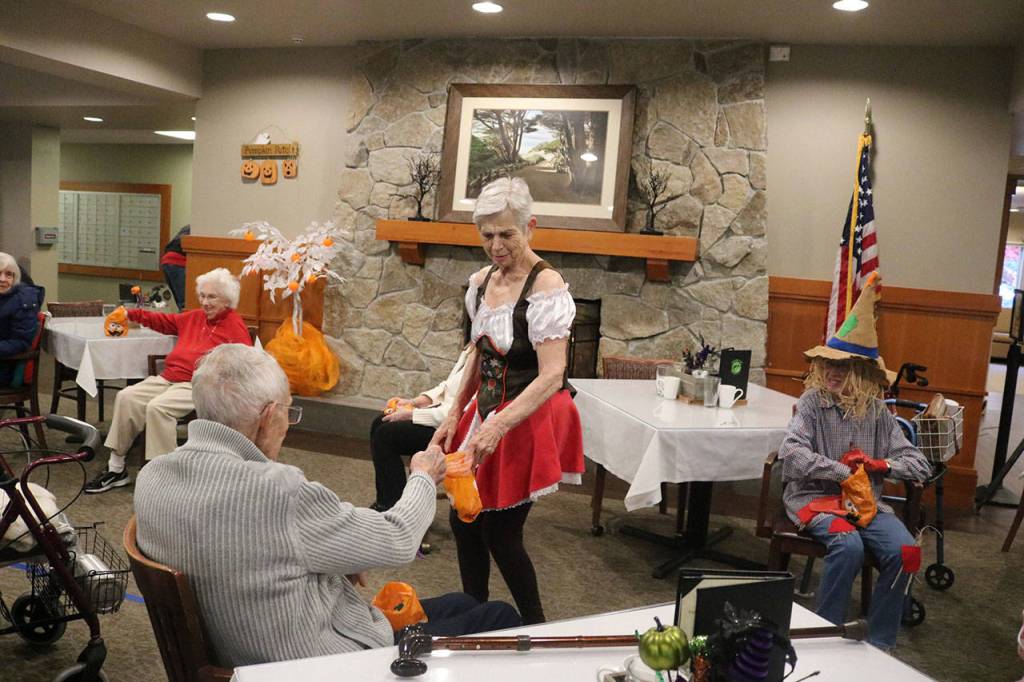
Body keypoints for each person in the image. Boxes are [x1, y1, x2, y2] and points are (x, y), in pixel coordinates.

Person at [134, 344, 520, 667]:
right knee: (501, 616)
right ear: (268, 418)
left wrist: (335, 563)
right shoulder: (278, 489)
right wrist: (422, 475)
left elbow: (242, 549)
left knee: (465, 601)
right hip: (318, 662)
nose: (288, 424)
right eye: (288, 410)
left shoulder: (152, 477)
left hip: (240, 645)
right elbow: (399, 537)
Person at [431, 177, 584, 625]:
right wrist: (454, 413)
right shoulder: (480, 283)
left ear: (529, 227)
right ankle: (472, 617)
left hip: (529, 413)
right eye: (487, 236)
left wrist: (499, 426)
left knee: (502, 532)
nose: (496, 246)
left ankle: (536, 627)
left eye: (506, 234)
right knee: (464, 518)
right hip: (486, 408)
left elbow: (552, 374)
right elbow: (478, 352)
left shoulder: (547, 286)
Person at [778, 274, 931, 649]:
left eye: (844, 366)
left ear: (862, 374)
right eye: (830, 364)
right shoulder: (813, 403)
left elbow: (918, 465)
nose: (832, 372)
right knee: (848, 546)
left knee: (907, 552)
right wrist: (844, 471)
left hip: (865, 505)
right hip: (815, 499)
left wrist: (881, 466)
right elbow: (792, 453)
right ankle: (824, 636)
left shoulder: (878, 413)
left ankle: (879, 643)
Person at [85, 268, 253, 493]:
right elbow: (163, 320)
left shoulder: (235, 326)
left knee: (158, 408)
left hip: (200, 385)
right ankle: (116, 469)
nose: (205, 302)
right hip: (168, 378)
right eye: (202, 295)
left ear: (227, 300)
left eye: (212, 296)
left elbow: (245, 365)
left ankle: (165, 477)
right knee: (127, 396)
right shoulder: (194, 317)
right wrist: (130, 314)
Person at [370, 344, 472, 512]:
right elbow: (447, 386)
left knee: (385, 436)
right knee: (380, 422)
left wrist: (412, 414)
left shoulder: (488, 354)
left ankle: (393, 508)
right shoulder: (473, 347)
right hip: (442, 417)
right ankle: (387, 500)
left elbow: (465, 409)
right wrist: (413, 402)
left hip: (457, 429)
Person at [0, 252, 40, 387]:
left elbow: (22, 342)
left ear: (15, 277)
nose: (3, 279)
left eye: (8, 274)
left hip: (7, 365)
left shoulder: (24, 301)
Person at [161, 224, 189, 310]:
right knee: (186, 304)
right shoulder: (199, 229)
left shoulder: (187, 227)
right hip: (179, 262)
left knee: (181, 303)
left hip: (166, 260)